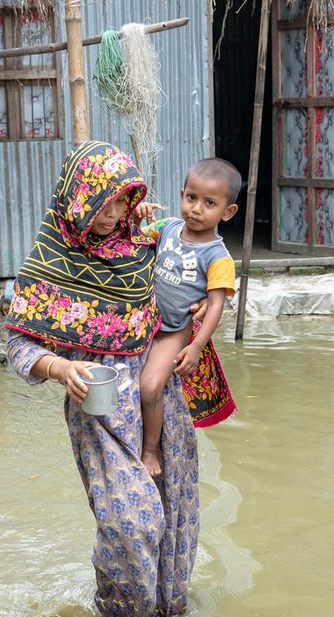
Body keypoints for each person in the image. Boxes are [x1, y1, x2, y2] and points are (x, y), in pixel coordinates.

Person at [4, 141, 199, 615]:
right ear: (77, 199)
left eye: (123, 200)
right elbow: (18, 347)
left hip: (160, 400)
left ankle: (167, 609)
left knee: (172, 519)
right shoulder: (49, 262)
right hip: (99, 409)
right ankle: (118, 608)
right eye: (103, 201)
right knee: (131, 523)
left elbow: (196, 270)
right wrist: (61, 367)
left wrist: (196, 304)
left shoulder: (146, 245)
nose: (113, 213)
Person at [134, 159, 241, 477]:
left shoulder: (218, 257)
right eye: (191, 197)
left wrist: (195, 347)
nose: (196, 209)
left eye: (210, 203)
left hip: (172, 331)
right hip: (143, 320)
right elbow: (134, 241)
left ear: (227, 212)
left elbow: (216, 305)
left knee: (150, 387)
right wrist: (137, 215)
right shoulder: (166, 228)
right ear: (182, 194)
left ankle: (151, 450)